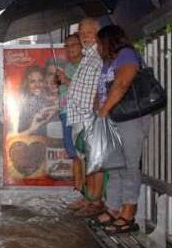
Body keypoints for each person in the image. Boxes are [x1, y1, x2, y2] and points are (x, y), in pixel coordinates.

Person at [90, 25, 151, 233]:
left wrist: (104, 109)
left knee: (129, 166)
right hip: (112, 118)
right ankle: (113, 208)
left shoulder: (126, 55)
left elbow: (123, 83)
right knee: (114, 166)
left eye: (99, 43)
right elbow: (103, 90)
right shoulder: (109, 62)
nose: (97, 47)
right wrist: (99, 109)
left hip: (129, 118)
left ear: (109, 41)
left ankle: (128, 213)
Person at [64, 18, 105, 217]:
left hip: (90, 116)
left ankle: (95, 202)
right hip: (79, 116)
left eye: (89, 32)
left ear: (98, 33)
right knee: (84, 159)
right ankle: (89, 198)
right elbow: (79, 88)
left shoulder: (99, 55)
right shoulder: (88, 56)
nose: (85, 36)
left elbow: (94, 90)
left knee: (93, 162)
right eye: (82, 33)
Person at [55, 34, 82, 189]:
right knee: (72, 151)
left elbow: (87, 90)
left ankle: (90, 197)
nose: (69, 48)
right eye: (66, 46)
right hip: (66, 113)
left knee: (82, 153)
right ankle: (80, 190)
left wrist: (65, 80)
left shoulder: (86, 65)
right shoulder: (67, 66)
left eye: (73, 45)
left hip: (79, 114)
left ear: (81, 46)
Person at [17, 66, 57, 135]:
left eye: (40, 81)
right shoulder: (24, 105)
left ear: (45, 82)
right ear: (27, 84)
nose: (37, 85)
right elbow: (19, 134)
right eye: (32, 81)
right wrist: (31, 129)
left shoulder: (52, 99)